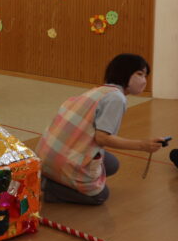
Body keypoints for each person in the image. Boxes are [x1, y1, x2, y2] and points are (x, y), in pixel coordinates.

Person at [36, 54, 167, 205]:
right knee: (99, 196)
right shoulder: (117, 98)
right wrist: (143, 146)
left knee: (111, 164)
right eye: (139, 74)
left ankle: (51, 176)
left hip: (47, 157)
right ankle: (48, 186)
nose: (144, 80)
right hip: (64, 159)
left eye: (145, 76)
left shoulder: (101, 91)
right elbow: (102, 138)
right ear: (124, 72)